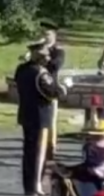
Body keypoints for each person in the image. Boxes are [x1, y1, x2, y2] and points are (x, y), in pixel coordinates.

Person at [14, 43, 67, 196]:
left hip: (25, 114)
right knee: (39, 153)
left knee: (28, 151)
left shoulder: (21, 69)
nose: (48, 58)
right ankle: (36, 185)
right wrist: (63, 88)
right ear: (39, 55)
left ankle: (27, 185)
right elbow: (52, 93)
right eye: (45, 55)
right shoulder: (41, 74)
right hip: (40, 116)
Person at [39, 21, 66, 160]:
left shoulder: (58, 50)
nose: (45, 36)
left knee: (51, 120)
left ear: (54, 35)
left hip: (50, 89)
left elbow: (56, 65)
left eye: (47, 34)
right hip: (36, 88)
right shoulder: (38, 48)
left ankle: (51, 147)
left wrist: (45, 57)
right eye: (43, 33)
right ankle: (40, 146)